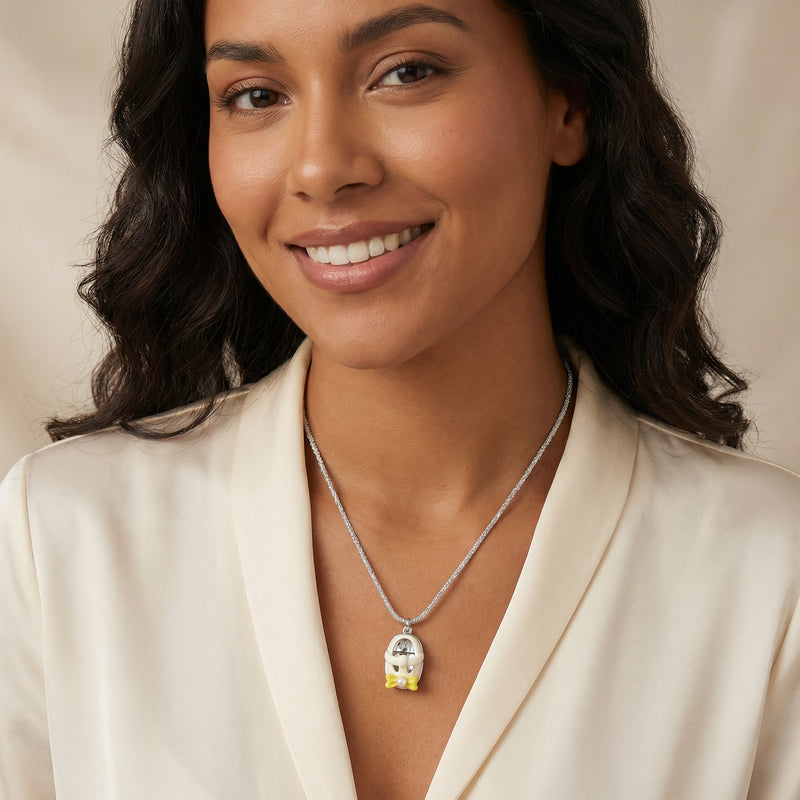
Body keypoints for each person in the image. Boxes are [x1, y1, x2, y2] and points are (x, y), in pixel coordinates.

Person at [1, 0, 798, 797]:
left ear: (569, 103)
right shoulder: (60, 541)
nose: (322, 167)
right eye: (256, 95)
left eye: (406, 73)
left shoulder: (769, 577)